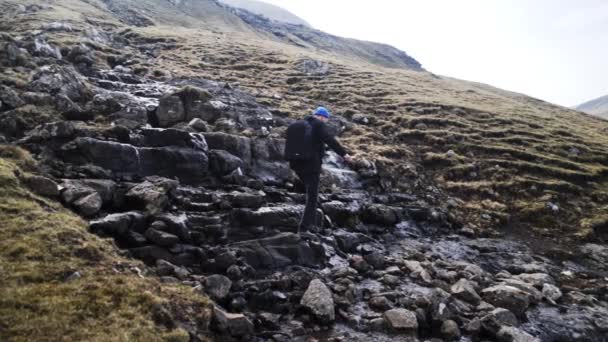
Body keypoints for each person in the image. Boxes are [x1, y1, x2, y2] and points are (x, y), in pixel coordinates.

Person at [284, 106, 352, 234]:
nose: (325, 121)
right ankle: (304, 229)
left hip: (295, 163)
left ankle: (314, 223)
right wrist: (344, 154)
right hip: (310, 164)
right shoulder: (318, 124)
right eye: (325, 119)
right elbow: (329, 140)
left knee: (311, 192)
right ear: (322, 116)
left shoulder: (296, 124)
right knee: (312, 197)